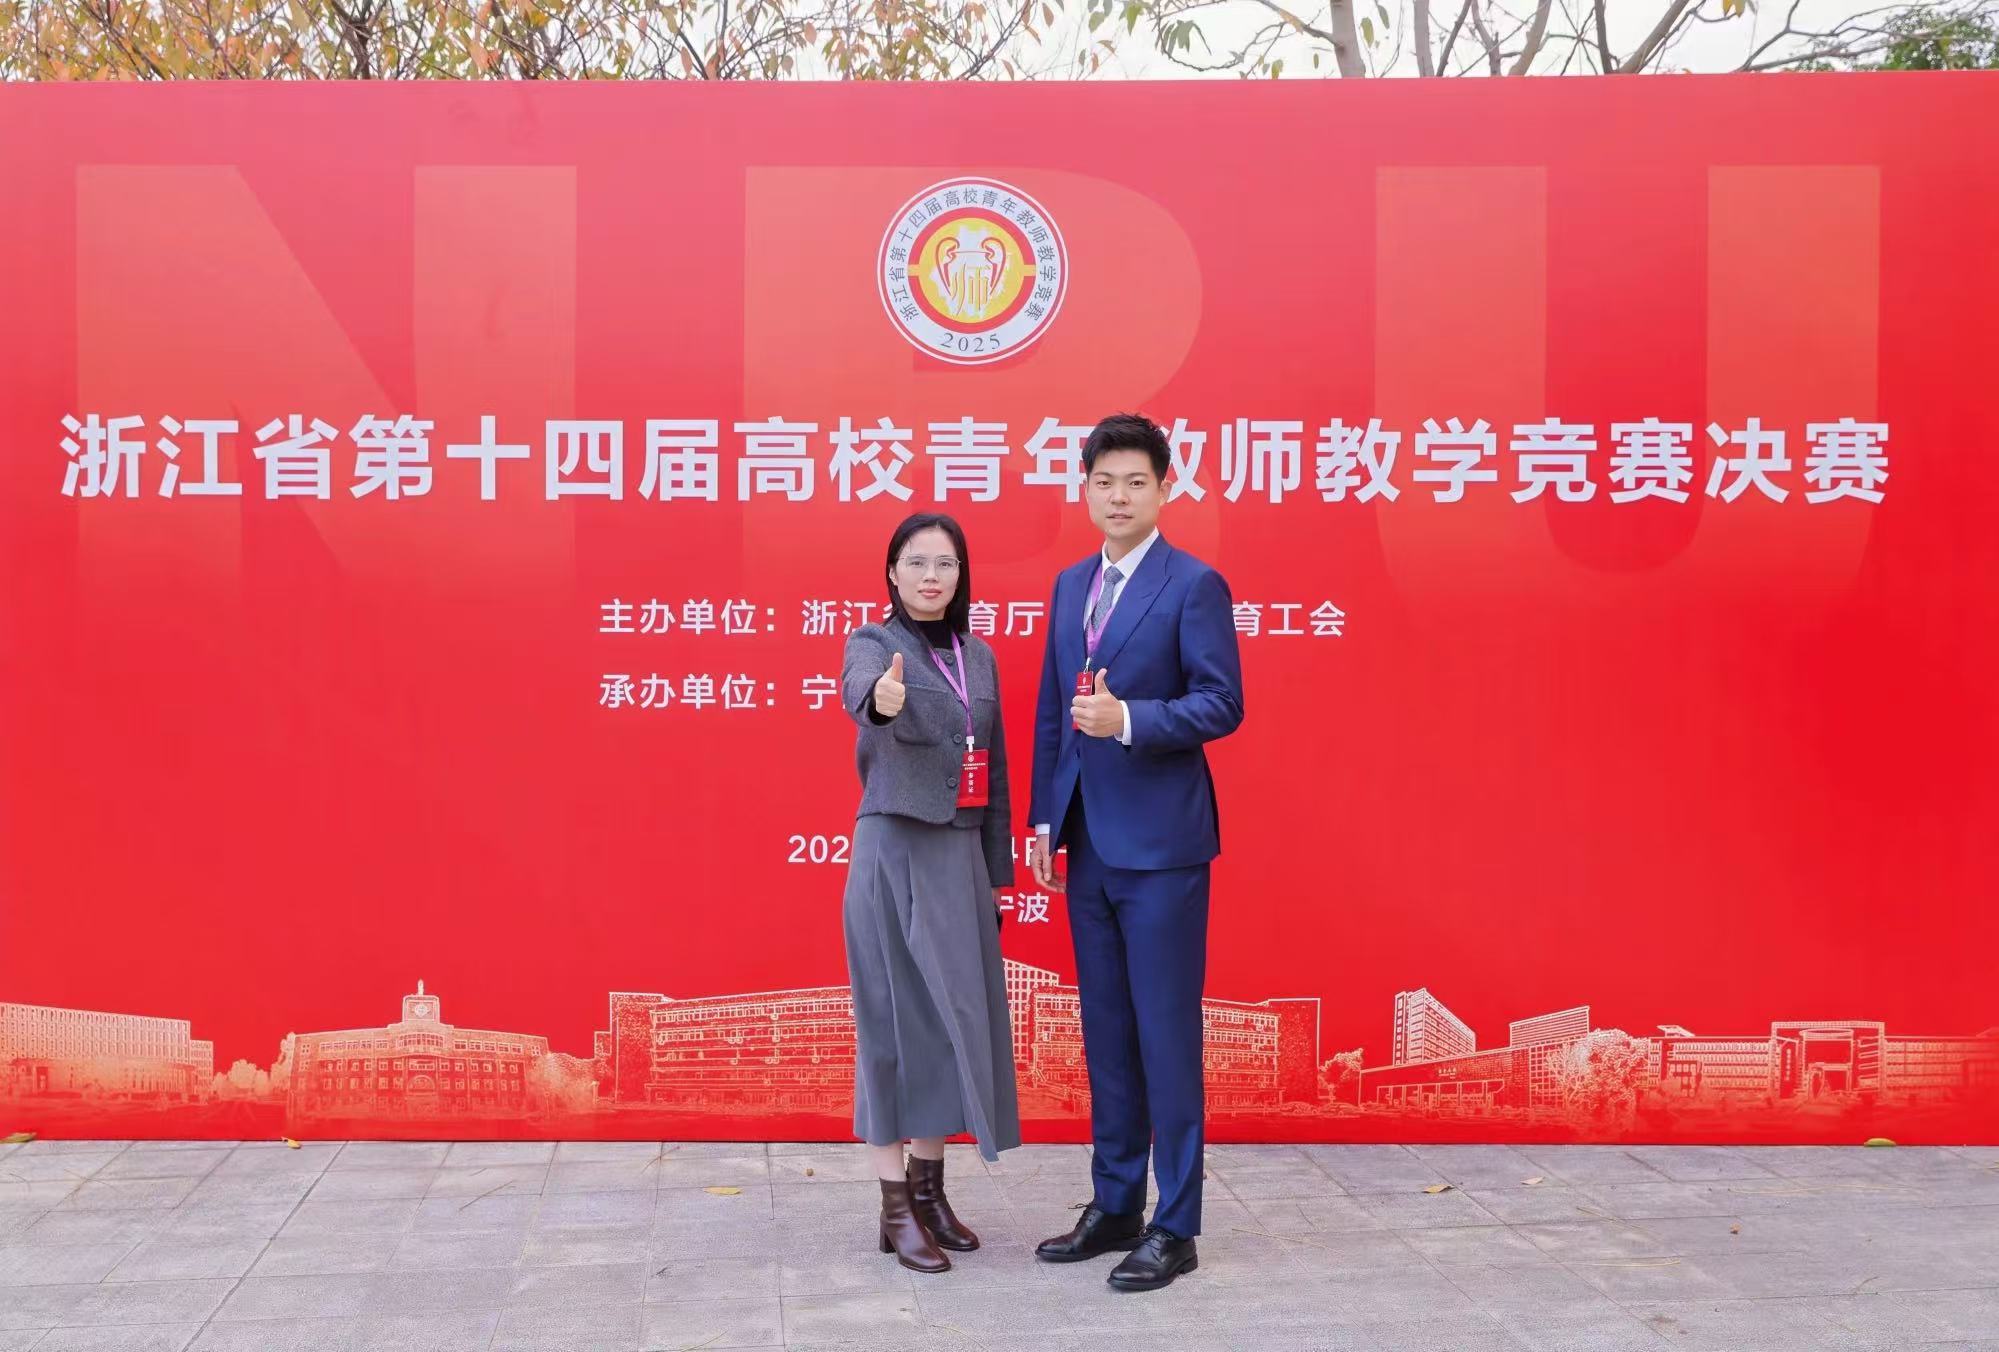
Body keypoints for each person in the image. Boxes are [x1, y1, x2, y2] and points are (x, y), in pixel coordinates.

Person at [1026, 412, 1245, 1292]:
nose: (1117, 497)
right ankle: (1115, 1203)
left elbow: (1221, 702)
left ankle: (1175, 1224)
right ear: (1083, 489)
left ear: (1163, 489)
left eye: (1135, 482)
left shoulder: (1192, 584)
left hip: (1161, 850)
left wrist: (1130, 720)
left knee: (1165, 1036)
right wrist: (1044, 821)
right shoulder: (1070, 584)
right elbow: (1053, 710)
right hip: (1087, 842)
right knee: (1107, 1035)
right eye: (1103, 482)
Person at [839, 511, 1021, 1274]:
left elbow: (995, 771)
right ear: (891, 571)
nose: (930, 576)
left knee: (949, 1025)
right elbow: (862, 697)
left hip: (959, 857)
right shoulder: (870, 644)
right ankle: (893, 1207)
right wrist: (882, 698)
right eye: (915, 562)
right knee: (890, 1025)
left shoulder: (978, 657)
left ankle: (929, 1189)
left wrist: (997, 879)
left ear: (959, 575)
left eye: (944, 564)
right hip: (893, 849)